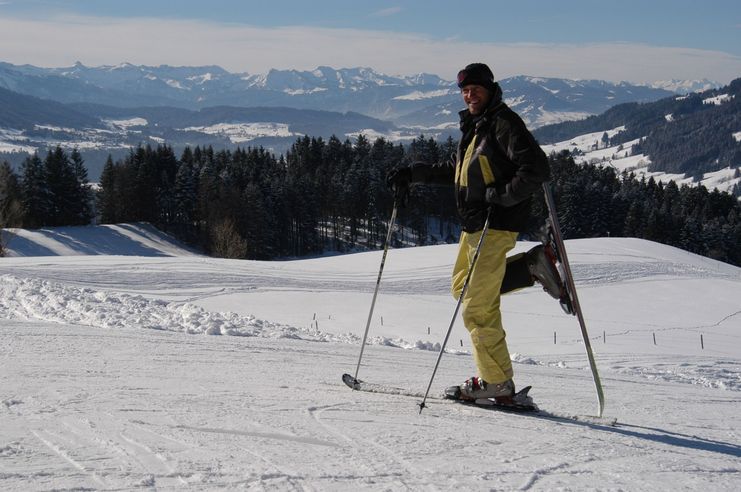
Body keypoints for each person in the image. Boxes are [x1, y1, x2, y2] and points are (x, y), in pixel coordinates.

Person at [386, 63, 560, 404]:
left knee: (477, 310)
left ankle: (496, 382)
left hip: (494, 225)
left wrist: (501, 196)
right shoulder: (478, 126)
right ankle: (531, 266)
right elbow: (459, 170)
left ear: (490, 88)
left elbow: (537, 168)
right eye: (465, 91)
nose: (470, 95)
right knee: (461, 290)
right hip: (474, 227)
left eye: (476, 89)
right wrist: (413, 174)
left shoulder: (503, 123)